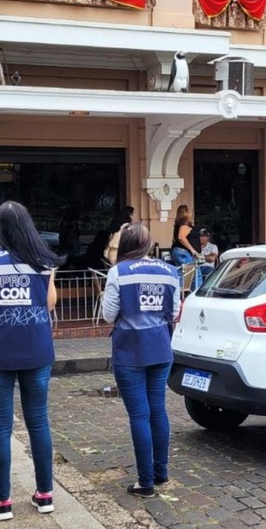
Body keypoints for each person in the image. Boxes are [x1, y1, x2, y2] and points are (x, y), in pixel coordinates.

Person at [0, 201, 65, 521]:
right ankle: (45, 495)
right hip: (36, 349)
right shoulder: (43, 261)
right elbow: (50, 303)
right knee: (38, 421)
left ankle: (3, 502)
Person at [101, 223, 181, 498]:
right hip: (160, 348)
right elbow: (174, 312)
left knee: (139, 415)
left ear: (125, 243)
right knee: (158, 410)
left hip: (130, 351)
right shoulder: (170, 271)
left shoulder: (118, 272)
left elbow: (108, 316)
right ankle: (161, 473)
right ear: (148, 244)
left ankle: (145, 482)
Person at [171, 204, 203, 289]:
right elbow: (181, 237)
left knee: (185, 274)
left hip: (182, 252)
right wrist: (192, 250)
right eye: (190, 211)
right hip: (184, 252)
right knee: (195, 274)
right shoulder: (183, 226)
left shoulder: (181, 225)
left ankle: (182, 292)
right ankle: (197, 294)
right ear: (186, 213)